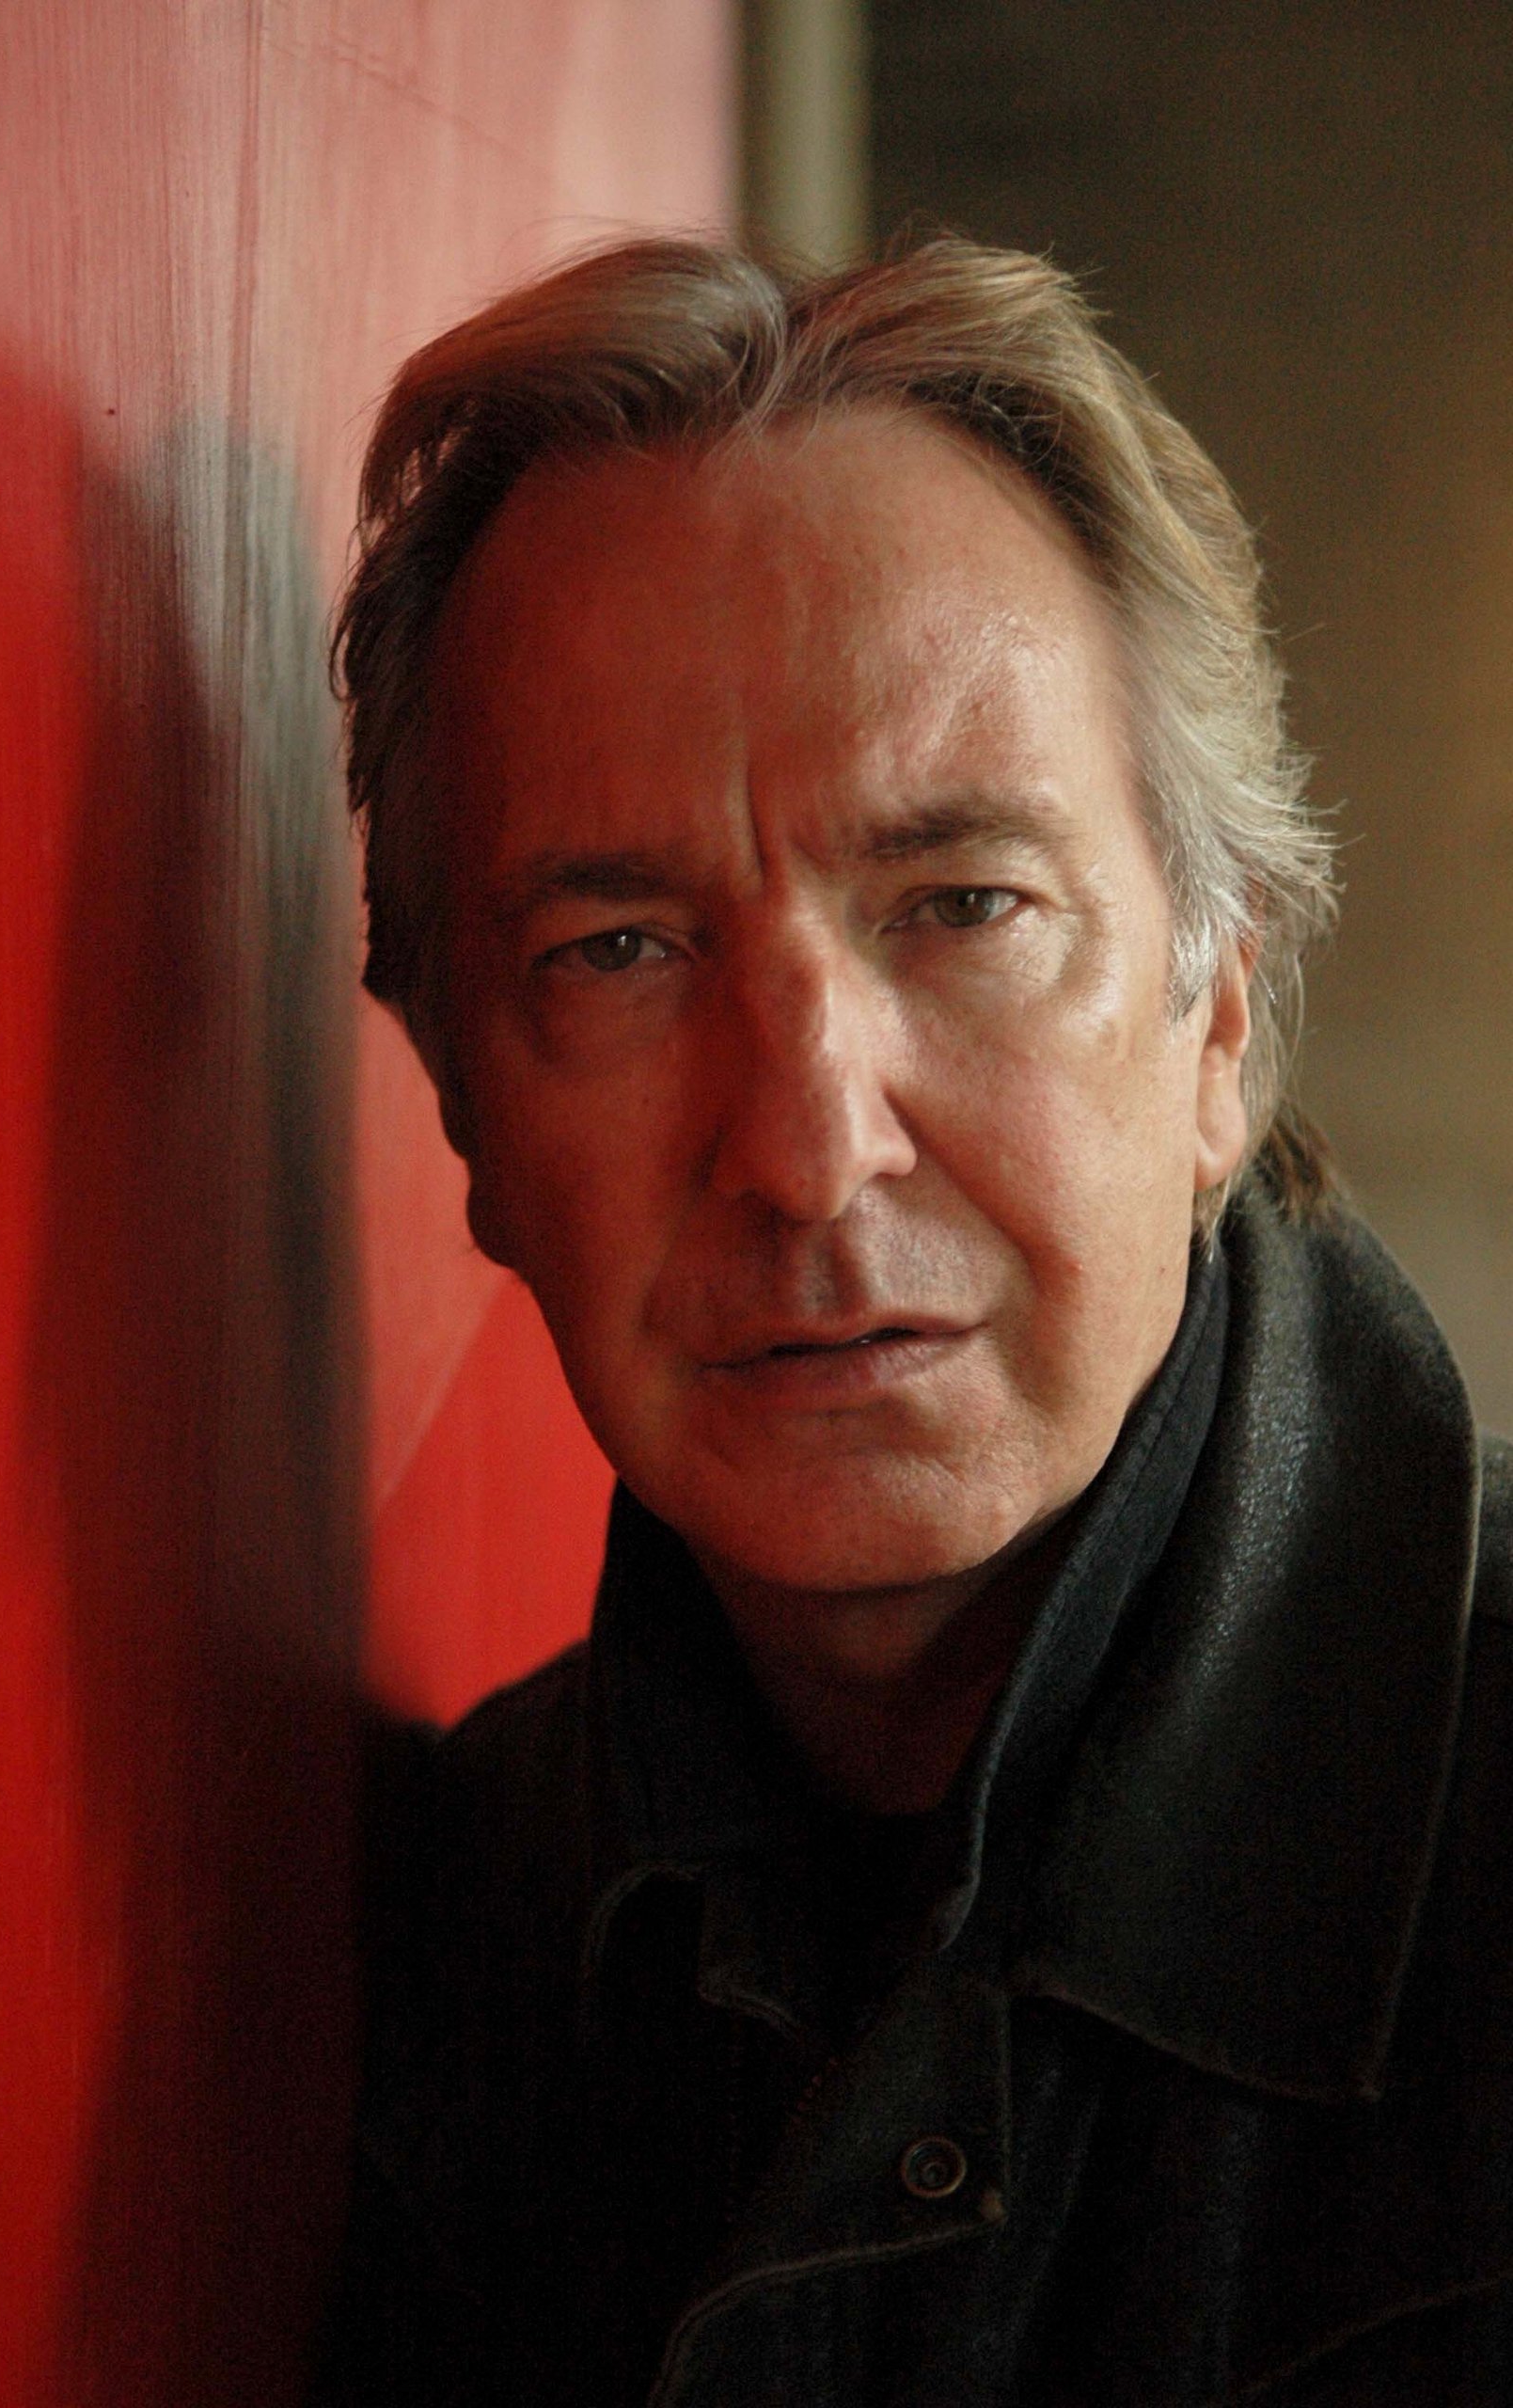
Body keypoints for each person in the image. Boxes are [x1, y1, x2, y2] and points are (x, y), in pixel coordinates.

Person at [312, 237, 1513, 2405]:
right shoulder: (471, 1916)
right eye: (617, 948)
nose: (805, 1147)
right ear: (465, 1112)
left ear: (1220, 1014)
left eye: (964, 905)